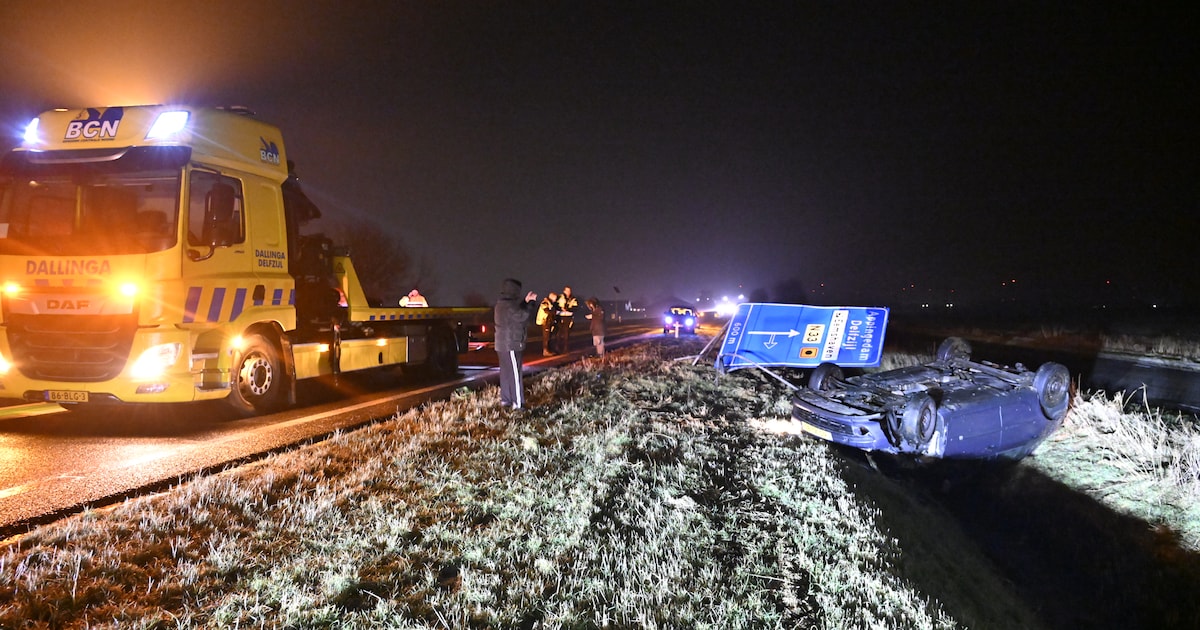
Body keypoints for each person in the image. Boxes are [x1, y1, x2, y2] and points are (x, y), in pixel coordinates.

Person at [494, 278, 538, 410]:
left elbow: (516, 313)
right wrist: (531, 303)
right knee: (515, 374)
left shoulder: (502, 304)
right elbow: (523, 316)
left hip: (502, 345)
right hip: (511, 344)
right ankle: (518, 404)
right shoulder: (509, 305)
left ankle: (506, 400)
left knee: (506, 373)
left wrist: (525, 301)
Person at [555, 286, 579, 354]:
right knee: (558, 333)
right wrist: (561, 309)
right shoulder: (560, 297)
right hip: (560, 316)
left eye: (569, 291)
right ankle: (557, 347)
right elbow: (555, 305)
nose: (568, 292)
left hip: (568, 317)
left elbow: (575, 308)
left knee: (566, 333)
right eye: (567, 291)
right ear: (564, 291)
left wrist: (568, 309)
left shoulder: (573, 299)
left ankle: (566, 348)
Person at [537, 291, 558, 356]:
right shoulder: (545, 303)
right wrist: (554, 311)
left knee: (548, 337)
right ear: (552, 297)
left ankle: (548, 350)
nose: (555, 300)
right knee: (546, 337)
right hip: (545, 322)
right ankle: (545, 351)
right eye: (555, 298)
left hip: (548, 322)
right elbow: (547, 311)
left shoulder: (549, 303)